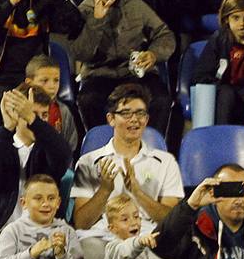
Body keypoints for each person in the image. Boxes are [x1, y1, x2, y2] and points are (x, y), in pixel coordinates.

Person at [0, 86, 74, 259]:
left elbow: (63, 154)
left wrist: (32, 119)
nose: (39, 121)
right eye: (30, 113)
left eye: (43, 116)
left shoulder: (47, 153)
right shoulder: (0, 144)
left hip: (35, 239)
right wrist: (6, 128)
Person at [68, 0, 177, 130]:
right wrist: (96, 20)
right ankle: (100, 147)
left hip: (134, 74)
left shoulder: (135, 6)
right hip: (100, 74)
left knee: (161, 99)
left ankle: (152, 147)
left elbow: (164, 34)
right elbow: (83, 53)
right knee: (88, 99)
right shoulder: (82, 12)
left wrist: (153, 54)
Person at [70, 83, 185, 235]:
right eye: (126, 113)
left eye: (140, 113)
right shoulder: (88, 162)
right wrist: (104, 191)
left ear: (147, 119)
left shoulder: (166, 162)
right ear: (111, 119)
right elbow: (81, 223)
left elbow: (171, 222)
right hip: (102, 237)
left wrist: (138, 193)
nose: (134, 119)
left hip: (148, 237)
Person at [189, 0, 244, 125]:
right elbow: (200, 75)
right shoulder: (218, 39)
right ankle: (221, 138)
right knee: (227, 94)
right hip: (223, 87)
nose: (242, 24)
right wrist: (219, 84)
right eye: (236, 18)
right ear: (226, 19)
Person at [22, 52, 81, 150]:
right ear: (29, 82)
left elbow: (70, 147)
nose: (52, 86)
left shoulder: (64, 111)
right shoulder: (21, 110)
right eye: (44, 81)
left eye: (56, 80)